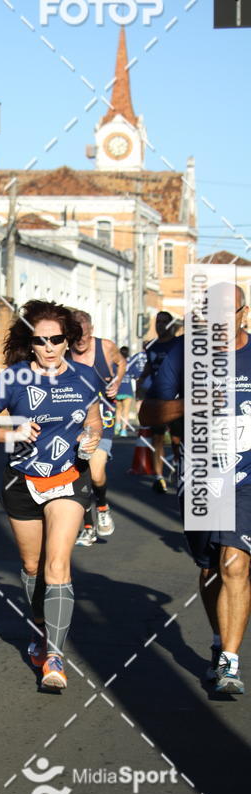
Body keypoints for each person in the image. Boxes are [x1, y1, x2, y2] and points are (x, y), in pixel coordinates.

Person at [0, 300, 102, 689]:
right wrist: (9, 433)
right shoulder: (12, 379)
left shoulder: (85, 377)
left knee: (57, 565)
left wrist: (91, 437)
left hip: (68, 477)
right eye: (40, 340)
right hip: (22, 481)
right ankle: (41, 629)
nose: (48, 347)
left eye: (56, 339)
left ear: (69, 342)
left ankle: (54, 658)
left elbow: (95, 421)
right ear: (31, 343)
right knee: (33, 568)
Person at [140, 285, 251, 694]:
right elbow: (149, 413)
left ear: (244, 313)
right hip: (202, 474)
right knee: (209, 568)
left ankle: (230, 662)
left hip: (246, 479)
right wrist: (192, 403)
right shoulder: (183, 353)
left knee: (235, 564)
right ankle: (222, 639)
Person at [69, 310, 126, 546]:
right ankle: (89, 527)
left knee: (96, 473)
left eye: (83, 336)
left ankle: (102, 505)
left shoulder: (106, 347)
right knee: (78, 476)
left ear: (91, 330)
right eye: (76, 337)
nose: (80, 341)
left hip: (103, 418)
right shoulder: (65, 351)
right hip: (76, 420)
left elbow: (122, 363)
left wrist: (117, 380)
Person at [136, 311, 178, 493]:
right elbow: (149, 365)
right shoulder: (151, 345)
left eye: (164, 322)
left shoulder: (178, 343)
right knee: (158, 438)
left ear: (171, 324)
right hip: (156, 397)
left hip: (177, 397)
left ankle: (180, 468)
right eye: (158, 321)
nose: (160, 325)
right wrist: (140, 382)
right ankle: (159, 476)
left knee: (177, 439)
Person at [115, 346, 146, 436]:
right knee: (126, 411)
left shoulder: (116, 364)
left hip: (118, 389)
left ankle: (117, 426)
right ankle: (123, 430)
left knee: (118, 410)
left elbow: (112, 375)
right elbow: (136, 375)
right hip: (127, 390)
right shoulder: (129, 364)